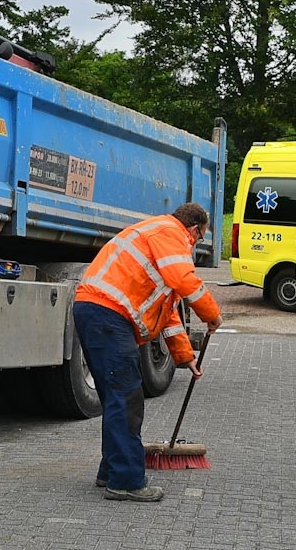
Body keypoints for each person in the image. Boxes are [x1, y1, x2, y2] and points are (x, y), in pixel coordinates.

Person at [71, 203, 223, 503]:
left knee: (116, 397)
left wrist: (185, 357)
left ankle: (111, 471)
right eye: (199, 239)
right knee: (127, 397)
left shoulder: (156, 238)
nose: (194, 246)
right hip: (108, 314)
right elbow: (185, 280)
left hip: (96, 312)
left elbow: (168, 314)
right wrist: (212, 314)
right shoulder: (170, 233)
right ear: (194, 230)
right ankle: (126, 481)